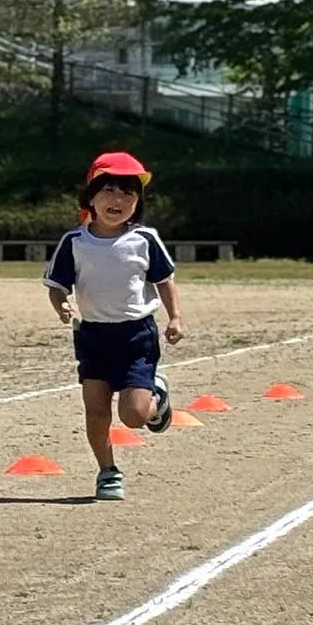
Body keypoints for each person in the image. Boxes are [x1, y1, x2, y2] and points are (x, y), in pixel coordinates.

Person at [44, 151, 185, 502]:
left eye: (128, 193)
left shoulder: (144, 240)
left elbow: (164, 280)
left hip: (136, 337)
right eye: (108, 190)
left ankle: (157, 398)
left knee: (134, 416)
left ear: (138, 203)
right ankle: (107, 471)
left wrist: (175, 317)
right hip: (93, 337)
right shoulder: (75, 242)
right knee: (96, 410)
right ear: (90, 198)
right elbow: (57, 285)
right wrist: (62, 304)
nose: (117, 200)